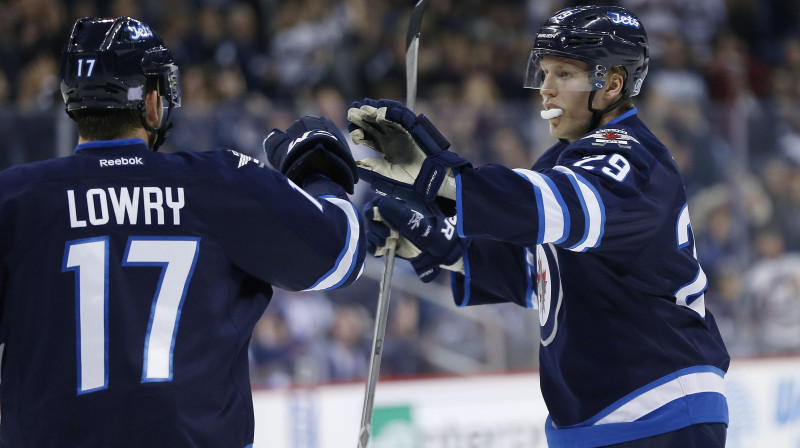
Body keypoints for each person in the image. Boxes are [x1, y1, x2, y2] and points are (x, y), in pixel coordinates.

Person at [350, 5, 729, 448]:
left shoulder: (629, 156)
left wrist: (443, 179)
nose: (545, 90)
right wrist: (439, 245)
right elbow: (545, 281)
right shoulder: (563, 161)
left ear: (611, 84)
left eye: (564, 74)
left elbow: (563, 206)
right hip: (597, 419)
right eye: (544, 73)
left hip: (658, 407)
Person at [0, 17, 365, 447]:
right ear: (153, 101)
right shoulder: (219, 182)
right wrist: (319, 174)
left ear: (72, 101)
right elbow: (340, 253)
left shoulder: (16, 197)